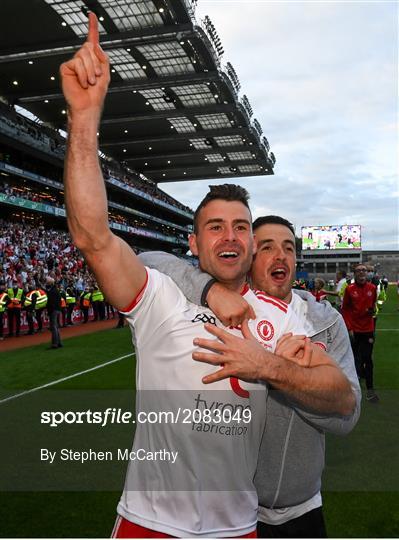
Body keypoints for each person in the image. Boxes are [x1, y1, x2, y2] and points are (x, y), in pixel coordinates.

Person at [60, 16, 354, 537]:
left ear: (252, 243)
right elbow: (93, 238)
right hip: (150, 523)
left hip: (239, 527)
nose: (229, 237)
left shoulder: (284, 316)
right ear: (193, 244)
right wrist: (84, 121)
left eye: (241, 227)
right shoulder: (162, 295)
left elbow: (340, 399)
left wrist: (268, 365)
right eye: (214, 227)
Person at [140, 215, 361, 538]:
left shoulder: (324, 323)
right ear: (248, 258)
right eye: (266, 247)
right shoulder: (223, 312)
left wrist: (279, 371)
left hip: (301, 509)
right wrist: (210, 289)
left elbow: (346, 417)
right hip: (227, 514)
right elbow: (148, 260)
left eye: (288, 247)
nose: (280, 256)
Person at [342, 264, 378, 402]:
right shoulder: (349, 289)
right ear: (355, 274)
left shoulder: (372, 288)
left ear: (367, 273)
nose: (362, 272)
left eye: (364, 270)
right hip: (355, 330)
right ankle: (353, 392)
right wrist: (349, 328)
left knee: (368, 359)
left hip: (368, 329)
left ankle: (370, 391)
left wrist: (371, 311)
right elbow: (345, 309)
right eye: (358, 270)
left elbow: (373, 303)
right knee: (353, 360)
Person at [45, 276, 63, 349]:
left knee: (54, 327)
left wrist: (48, 312)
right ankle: (58, 342)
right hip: (57, 309)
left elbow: (50, 303)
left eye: (47, 282)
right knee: (56, 327)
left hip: (53, 310)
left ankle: (55, 343)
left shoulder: (52, 292)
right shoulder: (56, 290)